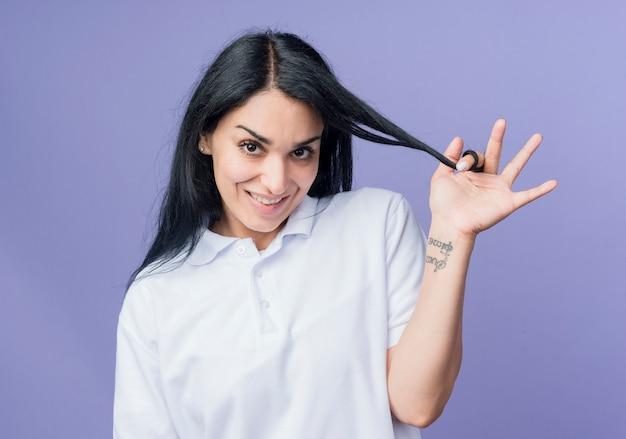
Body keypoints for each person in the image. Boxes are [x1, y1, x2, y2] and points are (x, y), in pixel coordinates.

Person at [113, 28, 558, 439]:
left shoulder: (375, 223)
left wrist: (453, 231)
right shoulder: (156, 297)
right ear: (205, 136)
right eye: (251, 147)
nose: (275, 181)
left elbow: (417, 404)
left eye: (301, 151)